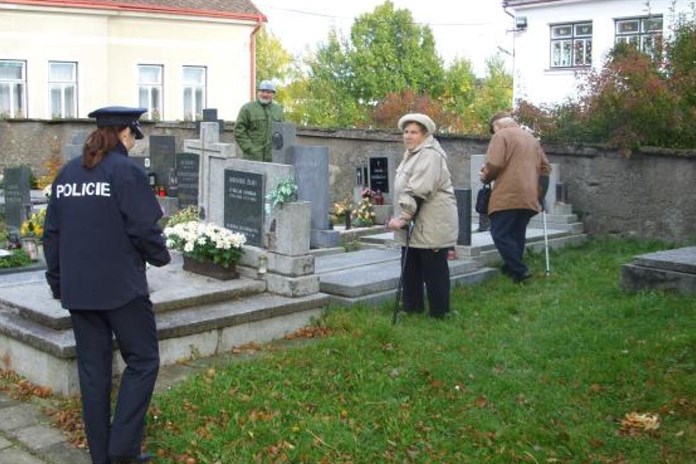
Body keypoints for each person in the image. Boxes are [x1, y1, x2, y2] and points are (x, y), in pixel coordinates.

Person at [42, 106, 171, 464]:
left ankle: (102, 455)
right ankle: (121, 451)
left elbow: (51, 235)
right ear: (125, 133)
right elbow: (144, 227)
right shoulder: (126, 171)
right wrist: (161, 257)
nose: (134, 143)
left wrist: (58, 283)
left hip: (79, 291)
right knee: (143, 360)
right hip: (122, 291)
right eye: (133, 135)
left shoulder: (67, 174)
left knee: (93, 373)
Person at [386, 113, 458, 318]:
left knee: (434, 269)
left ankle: (440, 312)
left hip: (431, 222)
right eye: (406, 132)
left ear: (425, 134)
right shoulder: (412, 154)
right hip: (416, 221)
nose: (408, 136)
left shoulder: (429, 154)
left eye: (414, 132)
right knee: (411, 267)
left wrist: (404, 217)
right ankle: (412, 307)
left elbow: (419, 189)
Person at [479, 111, 551, 283]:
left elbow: (495, 163)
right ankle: (514, 272)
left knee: (499, 233)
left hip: (508, 194)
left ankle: (520, 270)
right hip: (529, 196)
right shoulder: (532, 139)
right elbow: (545, 168)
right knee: (517, 234)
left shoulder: (501, 135)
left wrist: (485, 176)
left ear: (496, 126)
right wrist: (540, 194)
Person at [233, 80, 284, 161]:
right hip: (252, 158)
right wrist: (250, 149)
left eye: (269, 92)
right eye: (262, 91)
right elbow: (239, 131)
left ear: (273, 94)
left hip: (272, 159)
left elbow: (282, 133)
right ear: (258, 92)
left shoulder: (278, 110)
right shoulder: (247, 108)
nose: (265, 94)